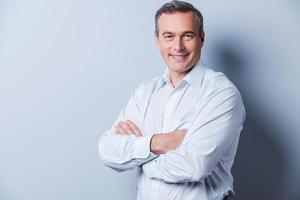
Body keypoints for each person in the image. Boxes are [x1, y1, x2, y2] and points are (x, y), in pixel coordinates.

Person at [98, 1, 245, 199]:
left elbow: (194, 166)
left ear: (201, 38)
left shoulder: (221, 94)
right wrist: (163, 142)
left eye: (187, 36)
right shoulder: (145, 93)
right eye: (169, 36)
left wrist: (139, 157)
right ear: (157, 40)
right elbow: (107, 150)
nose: (178, 46)